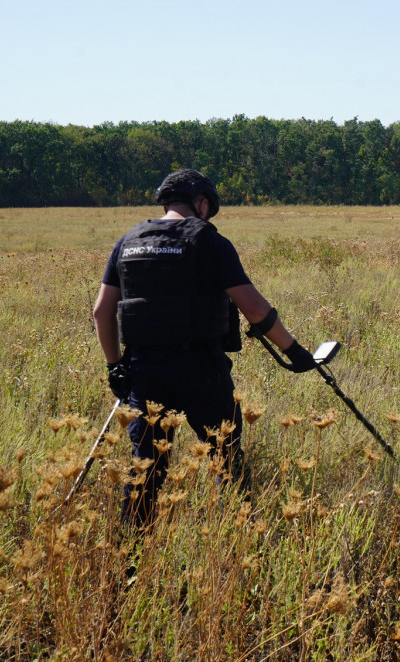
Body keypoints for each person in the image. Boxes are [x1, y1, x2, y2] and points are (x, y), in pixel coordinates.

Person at [92, 169, 316, 525]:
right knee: (225, 455)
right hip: (201, 370)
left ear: (166, 202)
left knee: (146, 466)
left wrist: (114, 366)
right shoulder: (210, 242)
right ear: (202, 203)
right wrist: (295, 353)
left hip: (145, 372)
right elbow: (255, 309)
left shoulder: (128, 242)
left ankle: (129, 555)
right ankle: (235, 532)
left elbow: (102, 311)